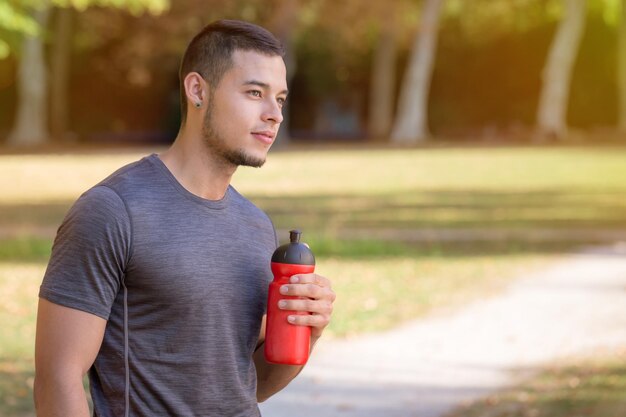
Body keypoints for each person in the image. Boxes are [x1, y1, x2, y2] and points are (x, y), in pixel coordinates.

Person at [34, 19, 336, 417]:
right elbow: (58, 378)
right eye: (254, 92)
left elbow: (250, 385)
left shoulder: (256, 226)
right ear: (197, 90)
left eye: (279, 99)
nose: (273, 115)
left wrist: (307, 333)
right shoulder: (113, 210)